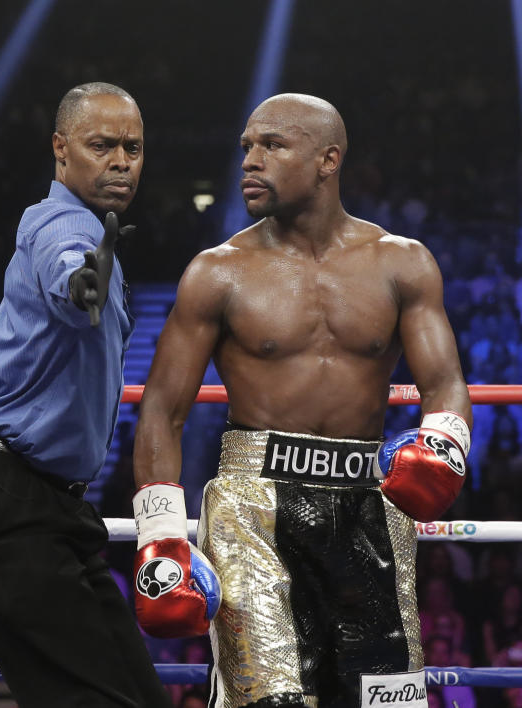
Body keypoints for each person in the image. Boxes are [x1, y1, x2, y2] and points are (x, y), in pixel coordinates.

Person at [132, 93, 472, 707]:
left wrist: (444, 442)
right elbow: (162, 409)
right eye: (246, 148)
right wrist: (159, 538)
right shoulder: (219, 272)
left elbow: (444, 382)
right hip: (252, 509)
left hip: (370, 504)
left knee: (384, 698)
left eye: (272, 145)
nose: (250, 161)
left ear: (327, 159)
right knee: (271, 701)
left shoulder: (402, 263)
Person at [0, 82, 172, 707]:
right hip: (12, 499)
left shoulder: (98, 231)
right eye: (101, 145)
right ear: (61, 150)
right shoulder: (59, 220)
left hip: (52, 507)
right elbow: (70, 270)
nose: (120, 161)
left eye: (132, 147)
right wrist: (84, 283)